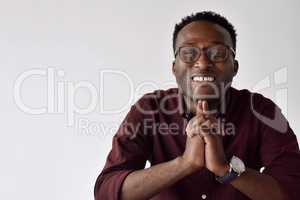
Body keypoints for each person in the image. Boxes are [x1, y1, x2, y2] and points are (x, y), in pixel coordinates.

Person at [94, 11, 300, 200]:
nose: (202, 63)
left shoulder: (261, 112)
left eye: (218, 53)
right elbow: (106, 191)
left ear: (234, 67)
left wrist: (225, 168)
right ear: (174, 67)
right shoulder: (149, 110)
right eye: (188, 53)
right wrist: (185, 163)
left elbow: (291, 192)